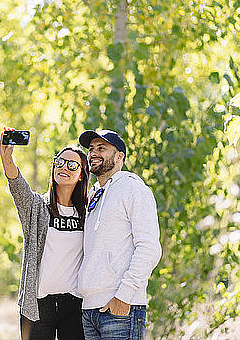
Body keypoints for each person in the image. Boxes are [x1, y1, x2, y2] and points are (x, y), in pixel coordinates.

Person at [0, 127, 89, 340]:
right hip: (37, 306)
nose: (64, 167)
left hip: (75, 305)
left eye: (72, 164)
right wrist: (7, 158)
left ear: (82, 174)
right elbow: (17, 185)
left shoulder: (88, 213)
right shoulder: (37, 207)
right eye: (59, 161)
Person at [77, 129, 162, 340]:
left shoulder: (134, 189)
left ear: (120, 157)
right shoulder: (93, 194)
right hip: (90, 309)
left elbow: (149, 249)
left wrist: (123, 297)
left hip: (121, 309)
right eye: (91, 149)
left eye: (102, 148)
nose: (94, 153)